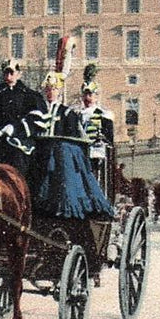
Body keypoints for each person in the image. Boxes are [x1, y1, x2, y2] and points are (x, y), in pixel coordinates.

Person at [26, 71, 114, 220]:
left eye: (53, 89)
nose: (50, 93)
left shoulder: (69, 113)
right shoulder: (40, 112)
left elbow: (76, 138)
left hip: (68, 154)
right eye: (48, 89)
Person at [73, 64, 115, 176]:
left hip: (96, 155)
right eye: (85, 95)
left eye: (90, 95)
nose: (88, 98)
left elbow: (109, 140)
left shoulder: (103, 115)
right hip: (80, 154)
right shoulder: (76, 115)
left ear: (96, 96)